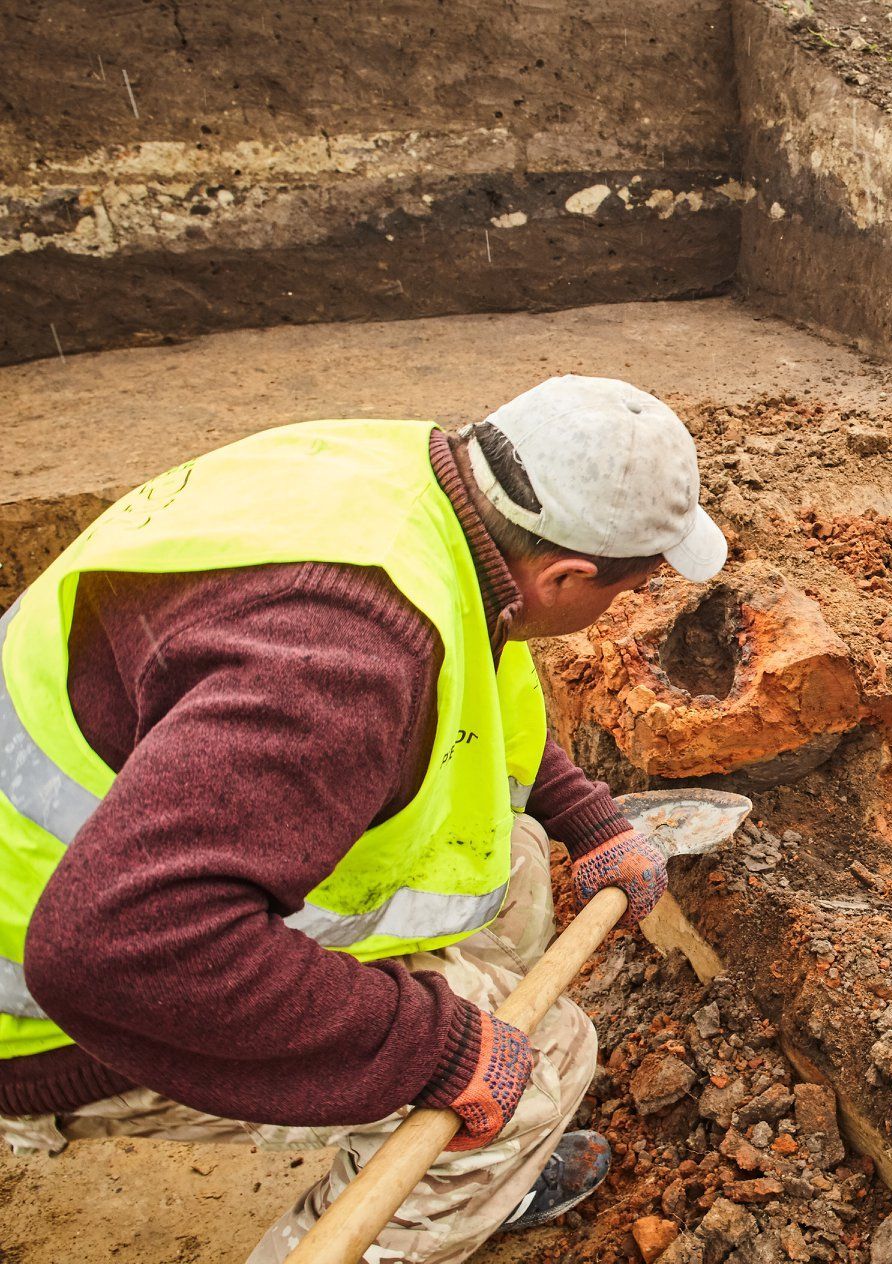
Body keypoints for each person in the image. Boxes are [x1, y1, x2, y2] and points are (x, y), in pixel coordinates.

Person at [0, 375, 728, 1261]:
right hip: (67, 1005)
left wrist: (587, 816)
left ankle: (475, 1168)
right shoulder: (339, 660)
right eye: (620, 592)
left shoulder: (415, 489)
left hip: (140, 854)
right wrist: (432, 1047)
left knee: (524, 865)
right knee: (544, 1065)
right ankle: (448, 1175)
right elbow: (112, 947)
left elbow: (476, 680)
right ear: (566, 574)